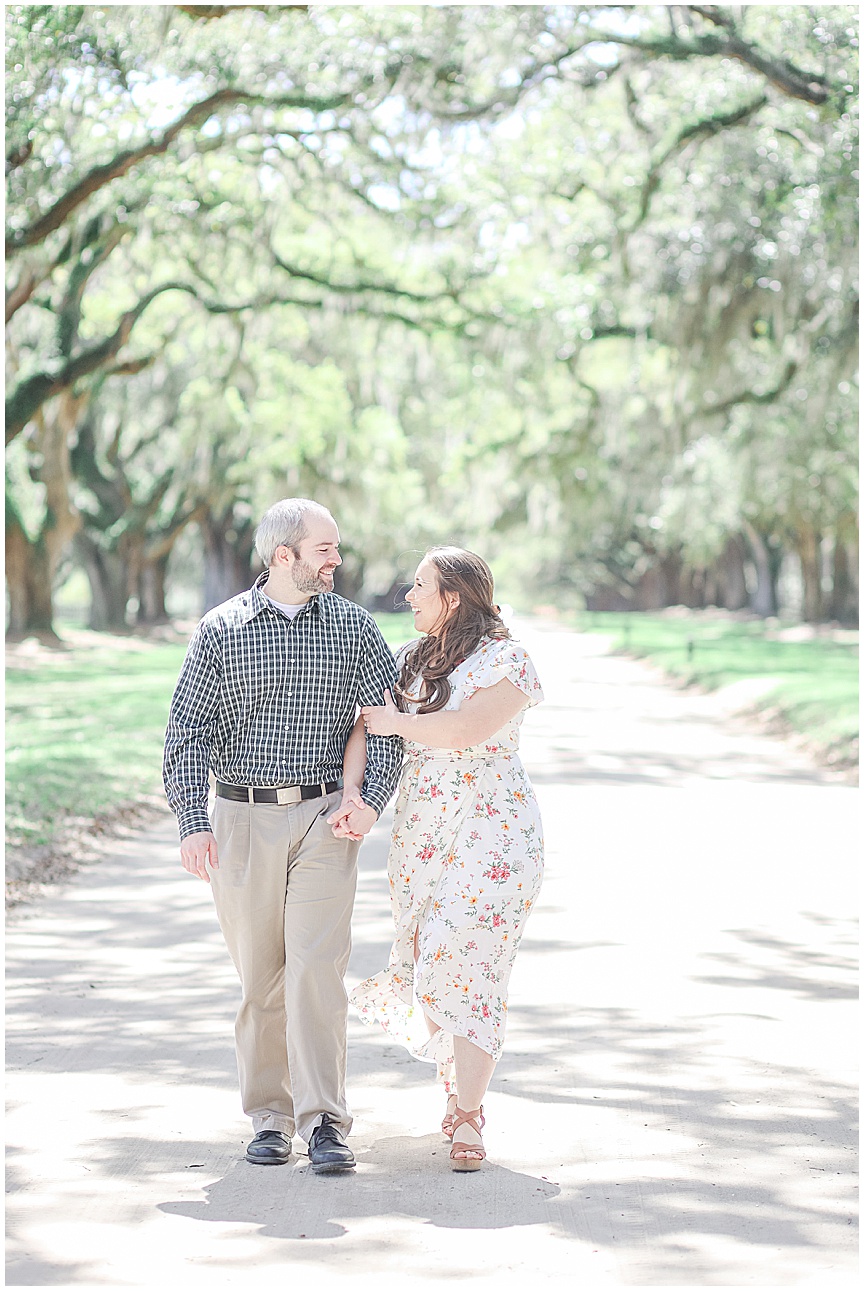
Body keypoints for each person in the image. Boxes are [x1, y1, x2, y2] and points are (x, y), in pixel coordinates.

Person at [163, 498, 401, 1172]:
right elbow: (186, 733)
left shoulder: (354, 628)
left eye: (336, 548)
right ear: (283, 556)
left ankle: (325, 1119)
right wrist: (191, 821)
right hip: (240, 819)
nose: (337, 559)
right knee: (261, 979)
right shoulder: (219, 630)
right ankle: (269, 1117)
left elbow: (384, 723)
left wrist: (371, 801)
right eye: (325, 548)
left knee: (316, 972)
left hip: (327, 816)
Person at [347, 546, 544, 1172]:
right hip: (422, 831)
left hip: (495, 829)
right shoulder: (410, 662)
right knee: (433, 960)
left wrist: (395, 724)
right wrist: (356, 795)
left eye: (419, 586)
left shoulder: (508, 660)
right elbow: (360, 724)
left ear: (452, 597)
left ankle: (468, 1115)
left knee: (470, 957)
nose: (408, 596)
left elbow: (464, 730)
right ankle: (457, 1093)